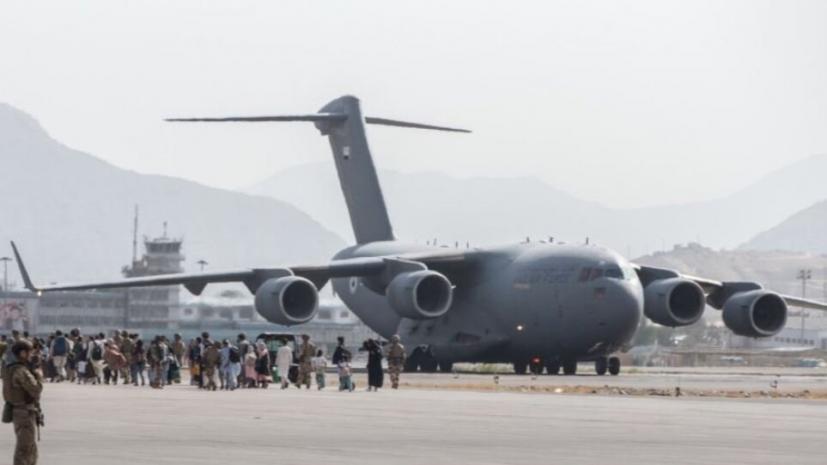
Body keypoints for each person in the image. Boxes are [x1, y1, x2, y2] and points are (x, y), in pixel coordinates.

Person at [2, 339, 43, 465]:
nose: (32, 355)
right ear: (23, 353)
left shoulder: (10, 368)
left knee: (29, 447)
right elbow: (36, 389)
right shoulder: (21, 370)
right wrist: (39, 375)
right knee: (25, 448)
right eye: (30, 352)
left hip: (20, 411)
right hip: (24, 412)